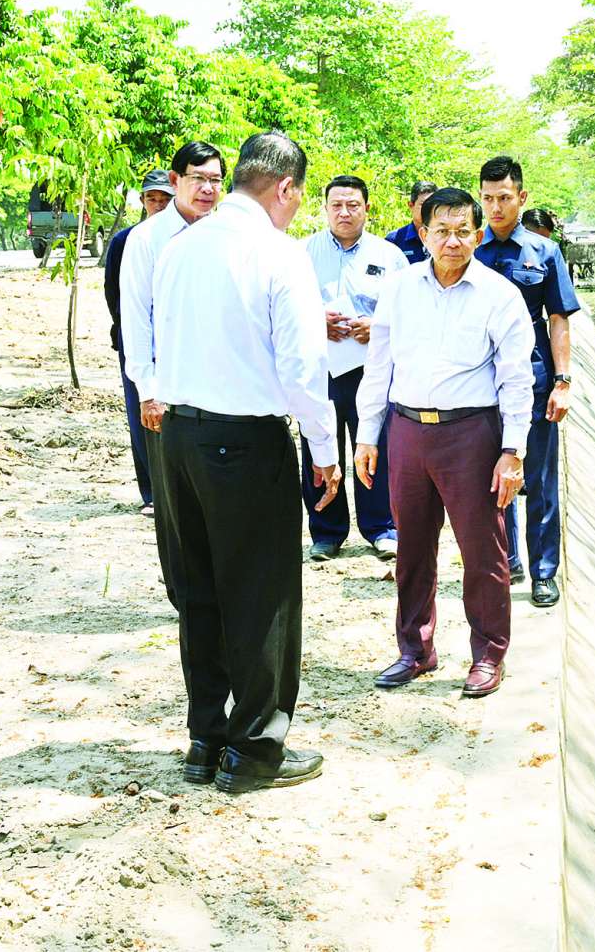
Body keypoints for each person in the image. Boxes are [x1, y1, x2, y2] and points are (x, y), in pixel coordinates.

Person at [152, 131, 341, 793]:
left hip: (176, 439)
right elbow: (303, 369)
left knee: (199, 593)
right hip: (246, 440)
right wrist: (325, 451)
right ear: (286, 187)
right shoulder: (279, 254)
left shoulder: (179, 246)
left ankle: (206, 739)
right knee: (262, 596)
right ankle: (255, 749)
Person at [354, 187, 534, 698]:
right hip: (407, 431)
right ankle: (415, 649)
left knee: (483, 551)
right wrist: (368, 435)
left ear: (477, 234)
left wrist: (512, 451)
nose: (452, 242)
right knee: (412, 548)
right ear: (423, 233)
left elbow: (516, 379)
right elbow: (379, 365)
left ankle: (488, 654)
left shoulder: (500, 295)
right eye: (441, 231)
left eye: (462, 232)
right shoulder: (400, 288)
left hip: (471, 434)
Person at [120, 140, 226, 607]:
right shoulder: (148, 239)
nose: (207, 189)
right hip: (168, 393)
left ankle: (220, 592)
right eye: (198, 179)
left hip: (221, 390)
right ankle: (185, 599)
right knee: (175, 503)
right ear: (175, 180)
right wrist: (148, 391)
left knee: (218, 496)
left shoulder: (227, 234)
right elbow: (135, 319)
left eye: (216, 180)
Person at [475, 157, 582, 608]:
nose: (496, 207)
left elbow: (558, 319)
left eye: (504, 198)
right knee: (489, 481)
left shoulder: (545, 253)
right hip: (479, 384)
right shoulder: (469, 250)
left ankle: (543, 572)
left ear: (522, 197)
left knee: (537, 480)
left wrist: (562, 381)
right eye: (488, 198)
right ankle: (505, 563)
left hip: (534, 379)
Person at [303, 174, 408, 562]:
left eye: (352, 205)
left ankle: (381, 528)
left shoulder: (389, 256)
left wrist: (377, 325)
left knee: (375, 445)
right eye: (336, 205)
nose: (344, 212)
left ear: (367, 208)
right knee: (318, 444)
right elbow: (283, 307)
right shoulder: (302, 253)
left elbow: (408, 310)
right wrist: (316, 321)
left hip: (372, 369)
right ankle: (326, 532)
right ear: (325, 208)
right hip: (320, 369)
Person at [102, 168, 174, 515]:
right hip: (135, 338)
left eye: (164, 199)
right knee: (141, 412)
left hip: (175, 340)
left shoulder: (183, 237)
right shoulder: (125, 240)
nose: (158, 205)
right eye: (152, 199)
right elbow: (114, 293)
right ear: (143, 201)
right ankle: (151, 492)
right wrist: (128, 331)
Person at [387, 180, 437, 265]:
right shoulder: (394, 239)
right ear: (411, 205)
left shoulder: (444, 238)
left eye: (432, 204)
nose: (428, 209)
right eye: (423, 204)